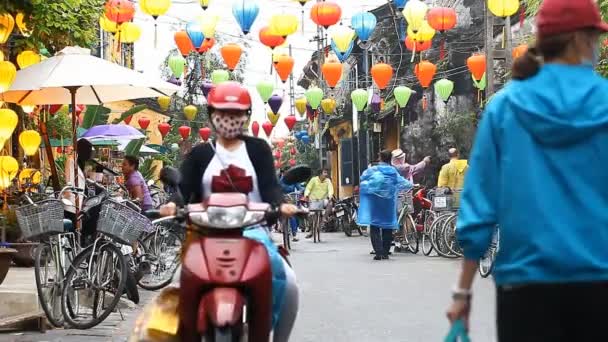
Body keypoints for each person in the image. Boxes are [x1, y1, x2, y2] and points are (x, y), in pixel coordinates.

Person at [447, 1, 608, 340]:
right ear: (580, 38)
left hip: (525, 288)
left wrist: (462, 292)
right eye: (595, 38)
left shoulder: (505, 108)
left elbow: (479, 209)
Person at [160, 82, 299, 342]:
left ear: (246, 116)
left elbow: (270, 187)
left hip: (253, 231)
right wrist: (173, 203)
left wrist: (282, 205)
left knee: (287, 280)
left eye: (236, 114)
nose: (229, 119)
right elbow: (184, 188)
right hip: (205, 233)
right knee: (179, 281)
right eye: (223, 113)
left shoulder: (258, 150)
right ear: (212, 115)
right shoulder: (200, 154)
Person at [358, 150, 411, 260]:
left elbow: (362, 178)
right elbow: (402, 182)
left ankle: (378, 252)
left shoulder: (373, 169)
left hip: (375, 201)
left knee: (375, 226)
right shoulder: (393, 171)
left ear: (380, 158)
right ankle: (386, 252)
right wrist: (411, 185)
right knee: (387, 226)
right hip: (388, 202)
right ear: (390, 159)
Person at [303, 168, 334, 238]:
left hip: (323, 200)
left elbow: (330, 190)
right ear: (320, 174)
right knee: (310, 215)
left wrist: (330, 196)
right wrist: (306, 195)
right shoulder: (313, 180)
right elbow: (308, 188)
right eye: (325, 173)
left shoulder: (328, 181)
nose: (326, 174)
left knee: (330, 203)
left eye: (326, 173)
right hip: (313, 200)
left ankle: (324, 219)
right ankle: (311, 230)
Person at [279, 168, 303, 242]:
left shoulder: (293, 180)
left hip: (291, 199)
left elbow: (299, 187)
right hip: (282, 199)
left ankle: (294, 234)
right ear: (283, 173)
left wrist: (301, 190)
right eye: (286, 173)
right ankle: (281, 226)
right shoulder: (280, 180)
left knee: (292, 215)